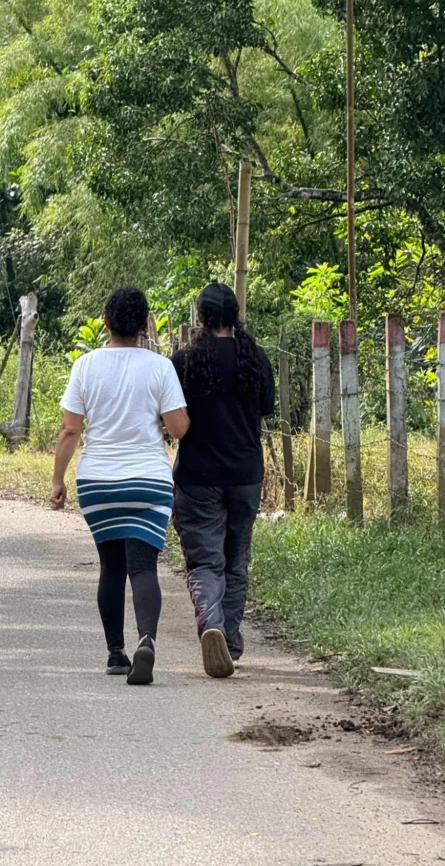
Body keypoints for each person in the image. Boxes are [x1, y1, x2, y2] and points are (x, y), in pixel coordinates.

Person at [51, 287, 189, 685]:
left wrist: (58, 480)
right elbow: (179, 428)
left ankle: (116, 653)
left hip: (98, 482)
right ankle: (147, 638)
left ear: (105, 321)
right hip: (148, 480)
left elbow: (69, 430)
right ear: (146, 324)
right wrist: (161, 419)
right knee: (143, 566)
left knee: (110, 567)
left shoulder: (85, 365)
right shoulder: (160, 367)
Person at [171, 282, 276, 679]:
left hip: (197, 475)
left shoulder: (184, 361)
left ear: (200, 318)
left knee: (205, 561)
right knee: (236, 560)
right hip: (246, 474)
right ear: (236, 316)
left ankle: (211, 625)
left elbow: (172, 419)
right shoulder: (256, 358)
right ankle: (229, 640)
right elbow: (266, 408)